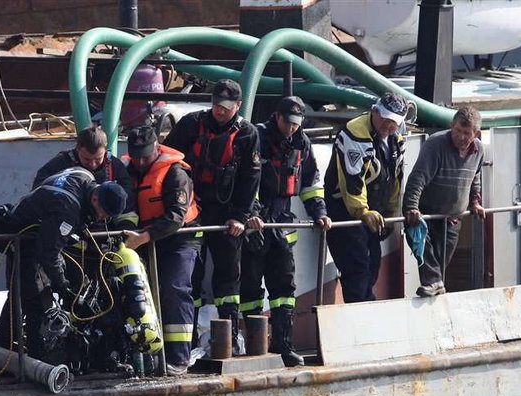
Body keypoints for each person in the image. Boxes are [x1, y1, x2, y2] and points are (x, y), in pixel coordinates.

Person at [163, 79, 262, 353]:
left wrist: (240, 216)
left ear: (238, 106)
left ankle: (229, 337)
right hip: (192, 211)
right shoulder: (190, 125)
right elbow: (169, 161)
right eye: (217, 105)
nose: (220, 111)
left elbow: (250, 179)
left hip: (227, 215)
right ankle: (190, 337)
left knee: (229, 275)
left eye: (227, 107)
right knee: (191, 275)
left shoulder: (247, 134)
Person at [0, 168, 127, 357]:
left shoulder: (84, 176)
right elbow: (49, 253)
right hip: (22, 240)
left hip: (34, 233)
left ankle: (2, 339)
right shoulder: (67, 210)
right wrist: (63, 285)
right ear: (95, 199)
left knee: (19, 294)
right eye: (104, 213)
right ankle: (38, 358)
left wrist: (81, 227)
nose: (104, 219)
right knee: (36, 298)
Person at [241, 97, 331, 367]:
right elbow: (247, 181)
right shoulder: (257, 137)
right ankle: (253, 347)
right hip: (255, 222)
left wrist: (320, 212)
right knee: (250, 287)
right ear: (276, 117)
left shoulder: (302, 143)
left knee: (284, 289)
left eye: (296, 124)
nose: (291, 129)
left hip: (282, 222)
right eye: (287, 122)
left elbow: (311, 184)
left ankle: (284, 345)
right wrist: (252, 215)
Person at [116, 126, 201, 376]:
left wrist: (144, 237)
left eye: (146, 156)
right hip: (143, 240)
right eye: (136, 156)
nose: (141, 162)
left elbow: (176, 216)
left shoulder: (175, 173)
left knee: (174, 289)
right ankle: (142, 356)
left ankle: (178, 358)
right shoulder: (126, 168)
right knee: (135, 292)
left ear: (157, 148)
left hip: (180, 239)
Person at [324, 92, 407, 303]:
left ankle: (365, 312)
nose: (388, 126)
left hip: (374, 213)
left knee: (372, 265)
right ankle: (359, 317)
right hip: (346, 213)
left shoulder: (396, 138)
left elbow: (395, 176)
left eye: (393, 123)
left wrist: (391, 209)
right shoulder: (355, 132)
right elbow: (352, 178)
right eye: (385, 120)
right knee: (357, 269)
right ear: (375, 111)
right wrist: (362, 211)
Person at [403, 106, 485, 296]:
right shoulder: (436, 144)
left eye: (466, 133)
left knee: (441, 263)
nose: (461, 137)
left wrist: (475, 202)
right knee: (422, 247)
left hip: (453, 217)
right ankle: (433, 284)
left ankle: (435, 288)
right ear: (451, 126)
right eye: (457, 131)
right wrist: (411, 207)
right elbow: (418, 178)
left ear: (476, 134)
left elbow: (476, 177)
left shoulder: (479, 150)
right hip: (427, 213)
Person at [32, 124, 132, 196]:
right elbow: (39, 189)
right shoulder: (61, 163)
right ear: (77, 149)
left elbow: (126, 198)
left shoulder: (116, 167)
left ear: (105, 150)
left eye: (98, 159)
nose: (93, 164)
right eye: (87, 159)